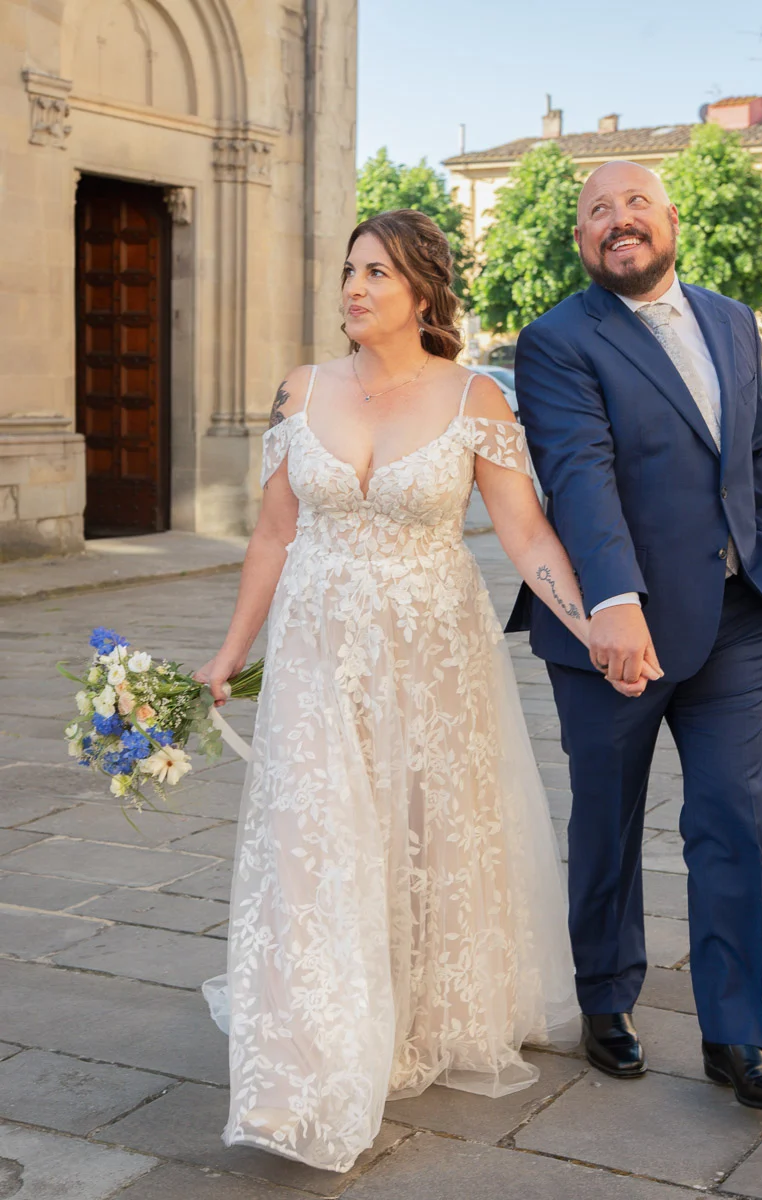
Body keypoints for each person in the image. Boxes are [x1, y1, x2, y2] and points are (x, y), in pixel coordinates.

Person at [195, 209, 600, 1173]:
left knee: (426, 826)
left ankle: (423, 1009)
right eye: (348, 272)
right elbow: (272, 536)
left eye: (376, 272)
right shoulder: (301, 390)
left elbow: (528, 535)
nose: (354, 288)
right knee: (318, 836)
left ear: (423, 289)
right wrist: (227, 653)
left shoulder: (477, 401)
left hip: (435, 651)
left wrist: (594, 621)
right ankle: (313, 1050)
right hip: (317, 650)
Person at [509, 160, 762, 1110]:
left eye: (636, 204)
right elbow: (580, 472)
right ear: (582, 240)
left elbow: (758, 444)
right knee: (609, 817)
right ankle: (605, 998)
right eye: (598, 212)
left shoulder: (728, 317)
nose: (618, 221)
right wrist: (615, 602)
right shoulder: (556, 340)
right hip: (613, 634)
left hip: (739, 618)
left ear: (672, 221)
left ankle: (737, 1035)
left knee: (729, 822)